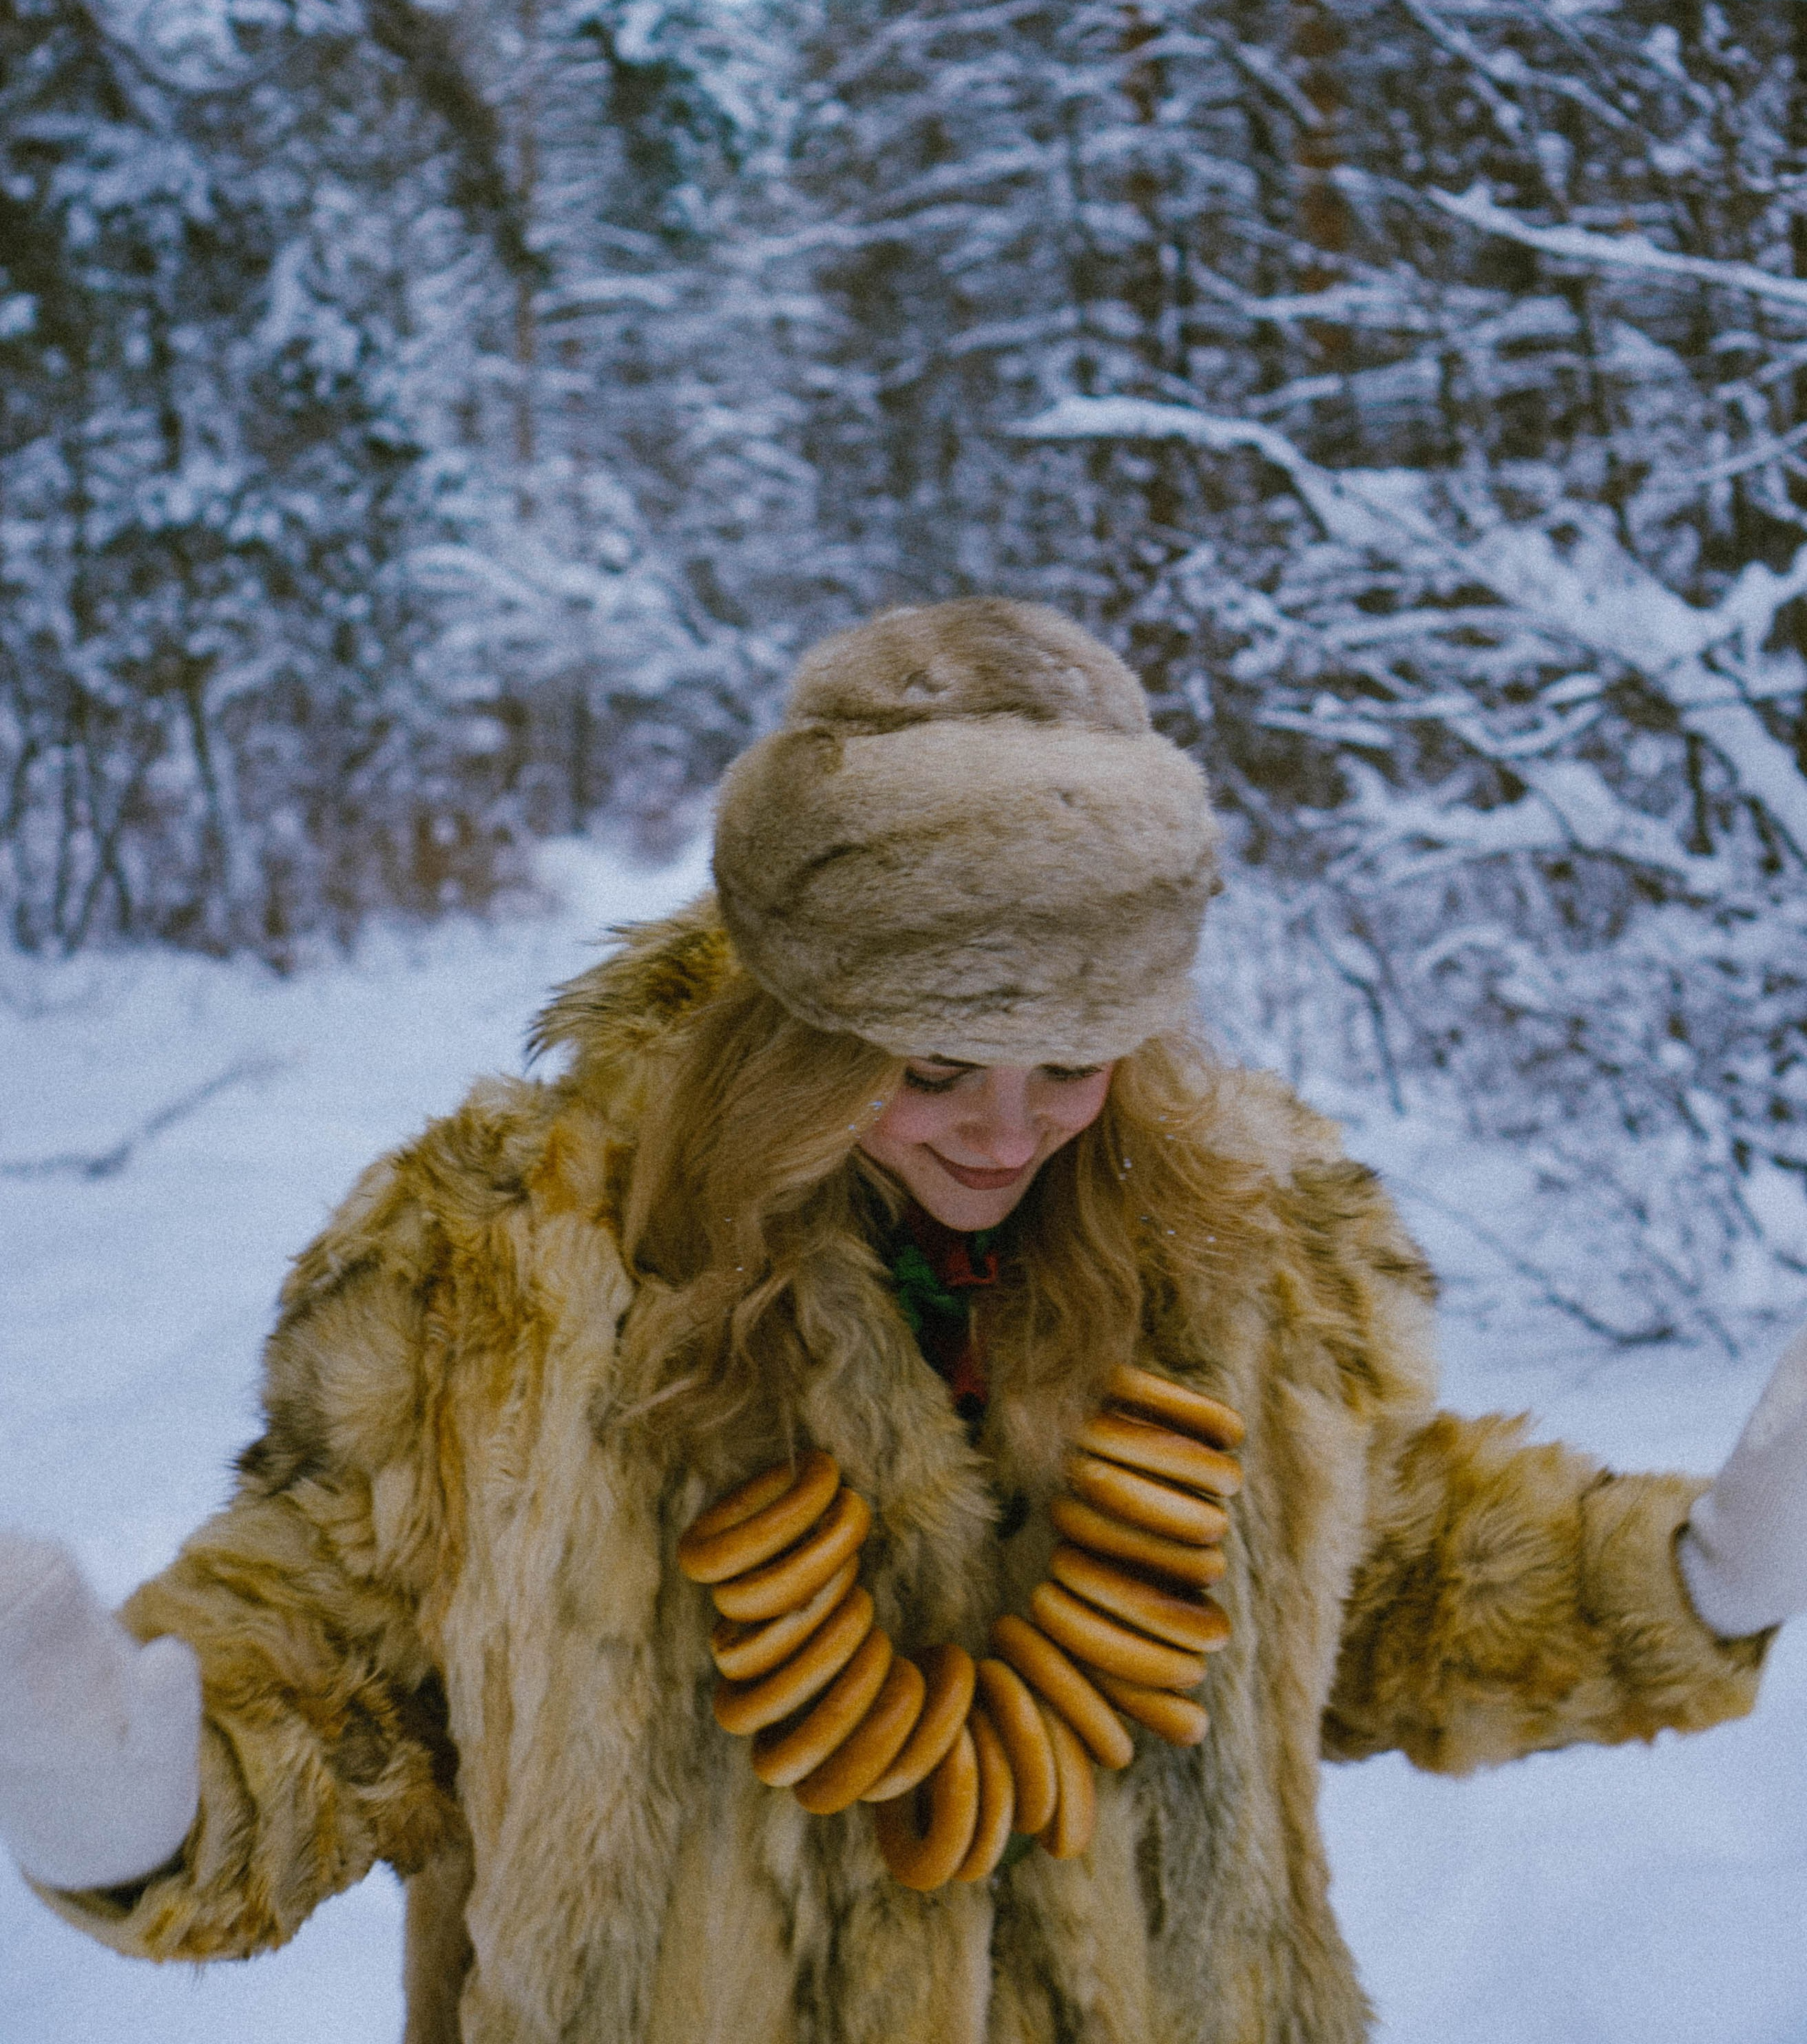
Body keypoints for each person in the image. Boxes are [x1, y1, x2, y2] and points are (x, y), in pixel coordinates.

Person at [1, 596, 1805, 2044]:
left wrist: (1689, 1573)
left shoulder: (1252, 1253)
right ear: (800, 1027)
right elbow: (333, 1661)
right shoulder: (506, 1274)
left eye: (1075, 1065)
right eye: (934, 1067)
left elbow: (1394, 1581)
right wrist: (146, 1799)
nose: (1007, 1133)